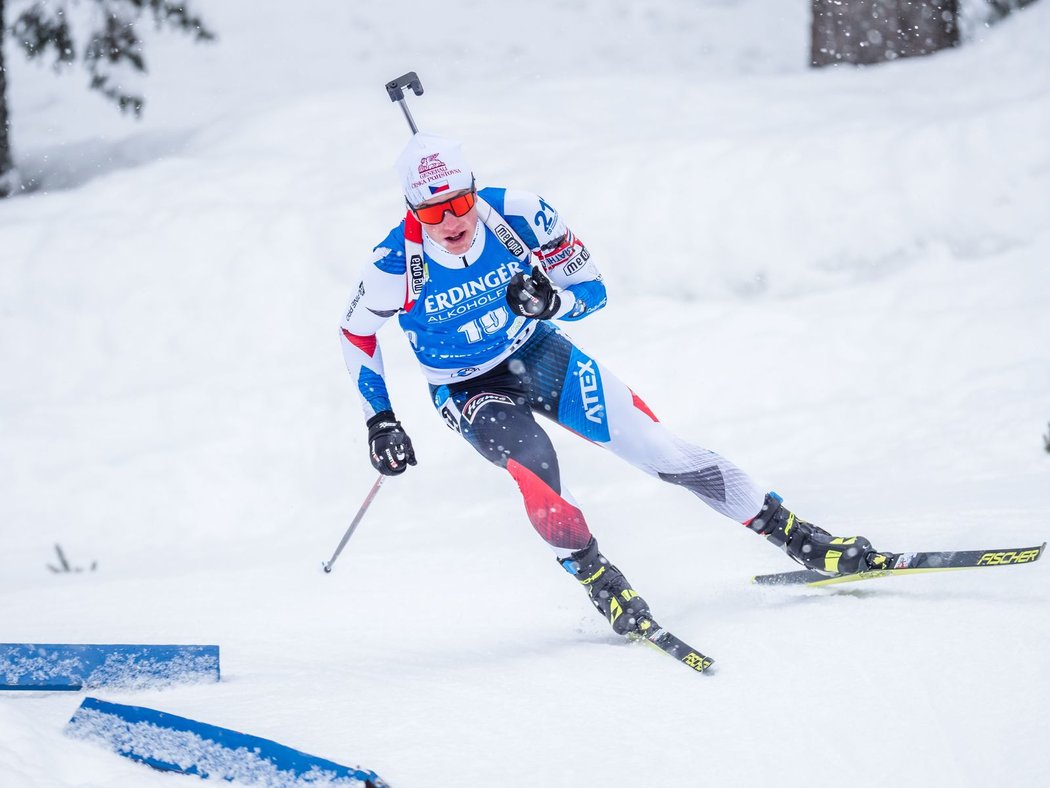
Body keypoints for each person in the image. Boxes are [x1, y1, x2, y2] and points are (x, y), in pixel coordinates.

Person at [340, 133, 887, 637]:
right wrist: (380, 419)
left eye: (461, 203)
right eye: (434, 212)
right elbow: (356, 334)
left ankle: (798, 538)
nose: (452, 221)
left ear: (475, 193)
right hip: (466, 388)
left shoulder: (521, 214)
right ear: (413, 213)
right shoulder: (394, 263)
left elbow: (593, 289)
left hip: (538, 351)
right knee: (536, 467)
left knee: (661, 450)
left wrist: (556, 303)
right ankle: (601, 582)